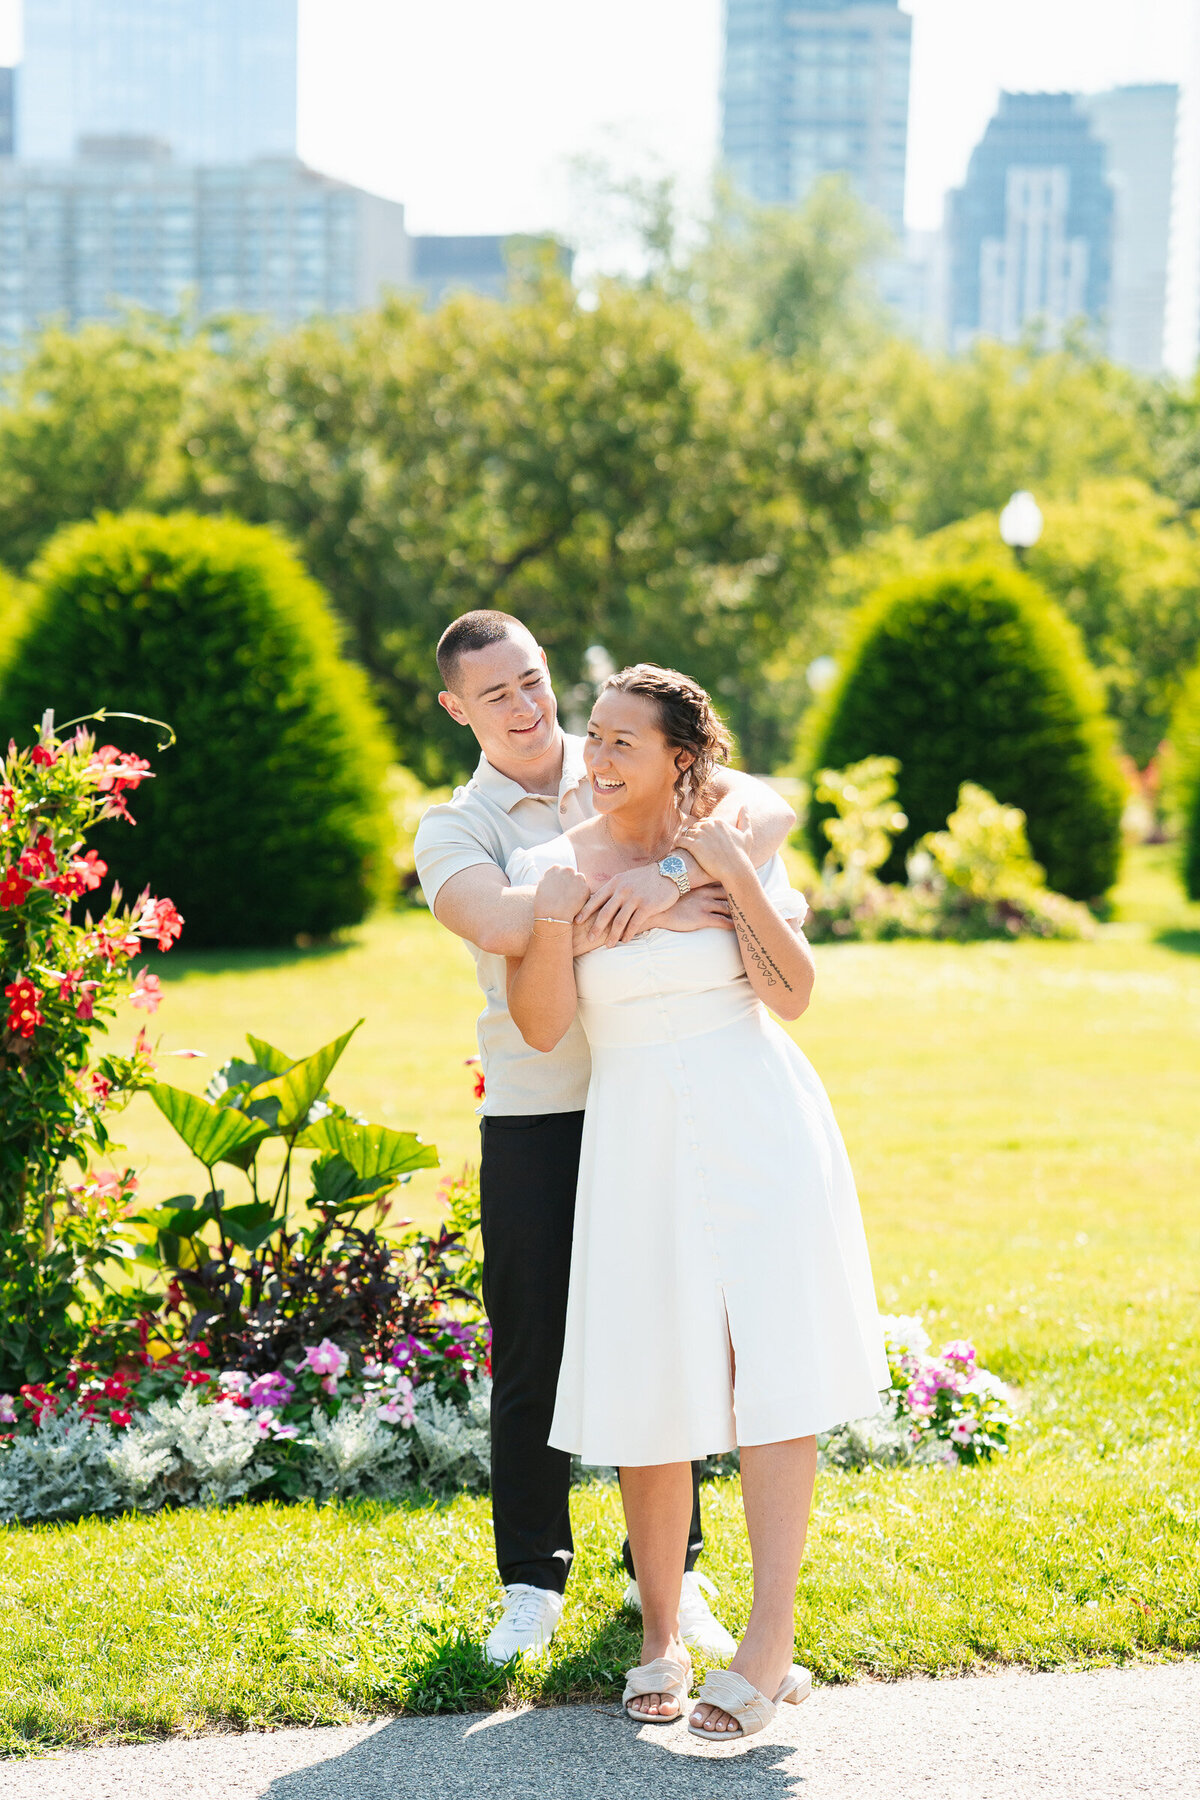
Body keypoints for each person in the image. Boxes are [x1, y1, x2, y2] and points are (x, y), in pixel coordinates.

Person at [504, 662, 888, 1741]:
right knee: (650, 1374)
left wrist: (710, 872)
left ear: (683, 756)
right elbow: (541, 1028)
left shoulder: (730, 842)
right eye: (596, 734)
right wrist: (558, 924)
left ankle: (769, 1642)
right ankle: (662, 1635)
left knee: (774, 1366)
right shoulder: (553, 866)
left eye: (626, 739)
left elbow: (794, 994)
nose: (599, 753)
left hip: (760, 1119)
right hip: (637, 1139)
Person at [413, 611, 796, 1666]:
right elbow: (498, 920)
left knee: (676, 1335)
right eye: (498, 695)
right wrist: (619, 882)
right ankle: (532, 1580)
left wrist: (668, 875)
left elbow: (763, 811)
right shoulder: (453, 827)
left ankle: (667, 1579)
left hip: (664, 1097)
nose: (531, 706)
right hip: (541, 1107)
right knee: (534, 1343)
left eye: (535, 680)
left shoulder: (625, 760)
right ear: (458, 710)